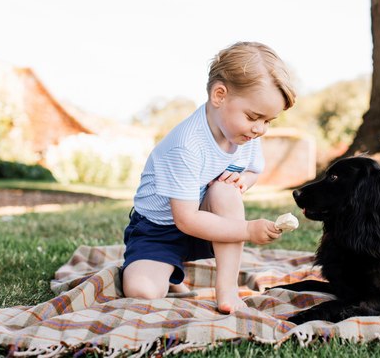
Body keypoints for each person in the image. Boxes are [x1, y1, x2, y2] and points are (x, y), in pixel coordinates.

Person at [121, 41, 296, 314]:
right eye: (254, 117)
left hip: (208, 222)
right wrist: (248, 230)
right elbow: (186, 219)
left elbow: (252, 171)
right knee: (142, 292)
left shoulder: (244, 134)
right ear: (219, 95)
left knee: (225, 192)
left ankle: (226, 291)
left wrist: (242, 182)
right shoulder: (186, 145)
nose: (260, 129)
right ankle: (166, 270)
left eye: (268, 121)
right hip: (160, 230)